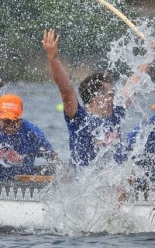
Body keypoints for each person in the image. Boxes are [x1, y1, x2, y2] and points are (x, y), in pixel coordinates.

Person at [42, 29, 149, 167]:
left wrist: (150, 55)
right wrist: (53, 58)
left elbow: (134, 83)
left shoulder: (116, 114)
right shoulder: (78, 117)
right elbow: (66, 91)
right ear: (95, 97)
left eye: (113, 94)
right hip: (84, 183)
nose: (113, 98)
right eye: (109, 94)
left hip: (112, 181)